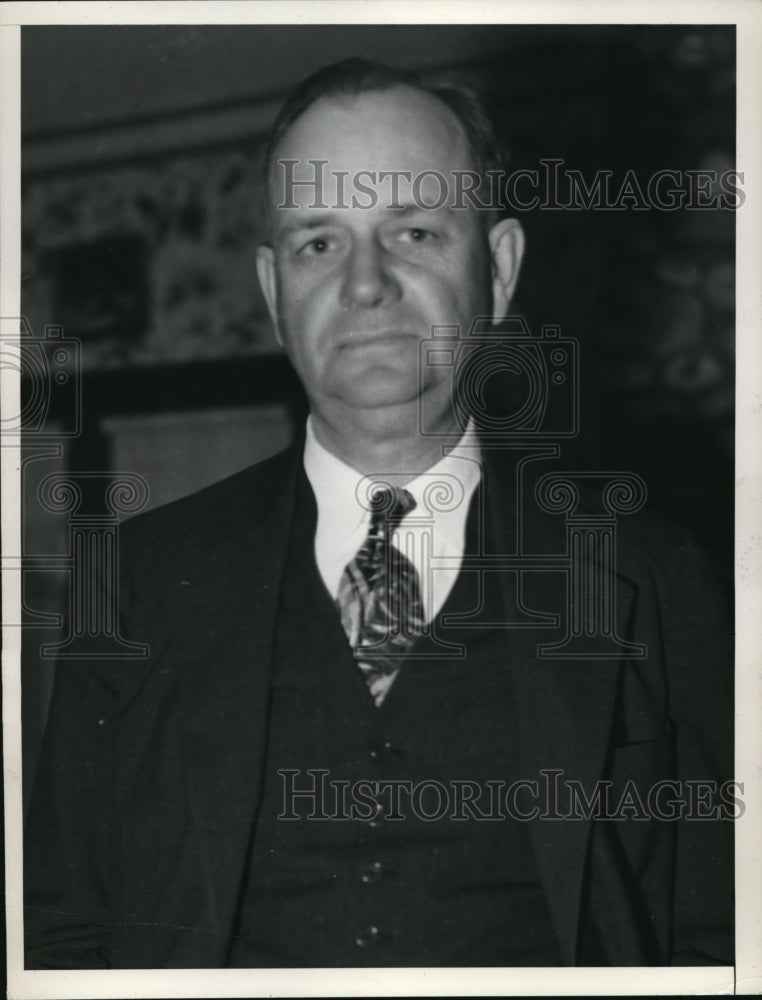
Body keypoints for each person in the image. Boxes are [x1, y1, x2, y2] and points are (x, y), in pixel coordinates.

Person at [25, 58, 733, 970]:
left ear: (500, 269)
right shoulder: (133, 582)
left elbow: (722, 932)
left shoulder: (655, 576)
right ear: (276, 292)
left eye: (414, 232)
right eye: (320, 241)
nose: (366, 285)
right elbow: (63, 929)